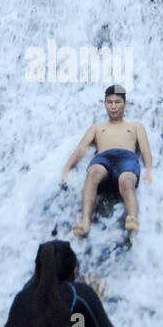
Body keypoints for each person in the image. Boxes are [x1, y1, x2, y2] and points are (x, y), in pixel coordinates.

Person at [60, 84, 153, 236]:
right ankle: (85, 223)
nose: (113, 106)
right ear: (104, 104)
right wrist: (66, 169)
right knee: (93, 172)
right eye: (109, 102)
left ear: (125, 103)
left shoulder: (135, 126)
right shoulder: (97, 128)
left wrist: (149, 170)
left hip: (127, 158)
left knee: (126, 179)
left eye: (117, 102)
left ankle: (133, 219)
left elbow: (145, 150)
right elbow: (80, 149)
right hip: (104, 158)